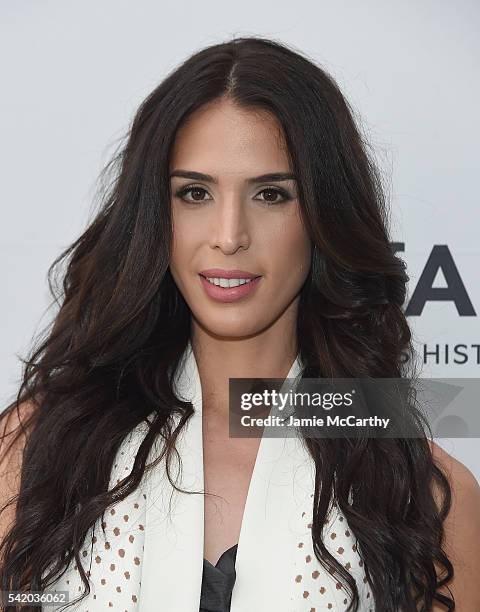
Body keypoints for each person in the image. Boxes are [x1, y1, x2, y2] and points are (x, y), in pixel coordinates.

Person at [1, 35, 479, 612]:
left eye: (272, 194)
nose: (229, 235)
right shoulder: (39, 448)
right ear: (156, 215)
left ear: (324, 216)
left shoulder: (418, 489)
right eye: (195, 192)